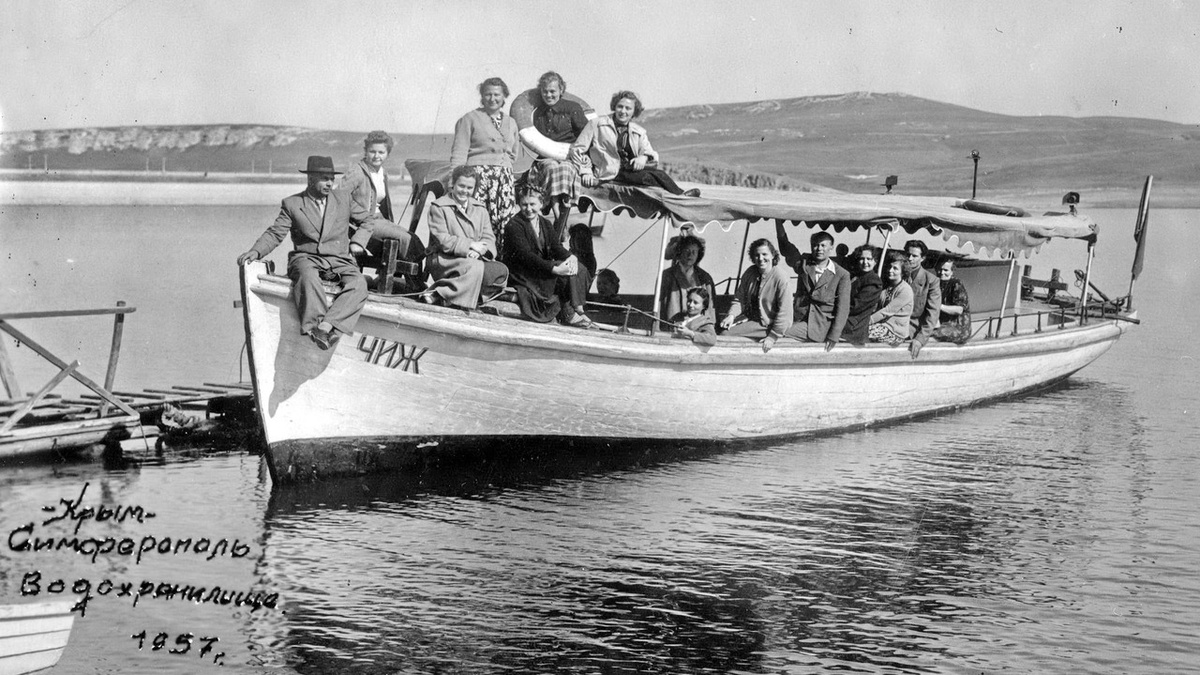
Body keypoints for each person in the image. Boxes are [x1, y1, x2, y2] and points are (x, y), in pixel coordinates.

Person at [237, 156, 371, 350]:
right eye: (324, 178)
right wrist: (256, 252)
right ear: (310, 179)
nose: (330, 183)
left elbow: (368, 221)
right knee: (308, 278)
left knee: (359, 284)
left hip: (339, 259)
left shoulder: (344, 199)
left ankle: (326, 326)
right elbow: (276, 233)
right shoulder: (292, 204)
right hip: (306, 257)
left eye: (331, 179)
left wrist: (358, 241)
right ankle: (314, 326)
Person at [569, 90, 699, 197]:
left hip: (629, 172)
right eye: (620, 106)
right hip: (606, 172)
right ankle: (681, 196)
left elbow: (652, 154)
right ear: (614, 106)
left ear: (634, 112)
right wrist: (586, 172)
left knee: (659, 174)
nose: (623, 111)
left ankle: (681, 196)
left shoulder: (638, 131)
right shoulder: (596, 124)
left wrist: (644, 157)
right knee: (649, 178)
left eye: (628, 108)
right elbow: (577, 149)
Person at [340, 130, 426, 291]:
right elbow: (340, 197)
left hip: (379, 219)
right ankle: (414, 285)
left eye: (381, 152)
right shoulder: (357, 171)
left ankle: (416, 282)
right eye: (372, 151)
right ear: (365, 152)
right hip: (361, 222)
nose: (376, 156)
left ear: (387, 154)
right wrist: (360, 214)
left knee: (413, 238)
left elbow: (383, 204)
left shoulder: (381, 173)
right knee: (405, 239)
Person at [421, 165, 509, 310]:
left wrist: (480, 251)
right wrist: (470, 246)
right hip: (444, 259)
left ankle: (450, 296)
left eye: (469, 188)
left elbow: (489, 238)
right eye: (461, 186)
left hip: (474, 257)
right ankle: (443, 294)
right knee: (474, 267)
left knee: (500, 271)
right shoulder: (439, 207)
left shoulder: (480, 209)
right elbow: (443, 240)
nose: (465, 191)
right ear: (452, 184)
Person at [502, 185, 592, 326]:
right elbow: (526, 255)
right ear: (519, 204)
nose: (528, 208)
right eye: (524, 204)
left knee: (579, 268)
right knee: (560, 274)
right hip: (522, 271)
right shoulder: (514, 225)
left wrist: (570, 256)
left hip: (538, 267)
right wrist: (553, 269)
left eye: (533, 204)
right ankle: (567, 312)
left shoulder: (545, 223)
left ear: (541, 204)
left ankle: (577, 309)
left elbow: (556, 247)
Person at [451, 77, 520, 248]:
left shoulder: (511, 122)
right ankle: (477, 262)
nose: (492, 98)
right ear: (482, 96)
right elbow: (459, 153)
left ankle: (500, 265)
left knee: (505, 222)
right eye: (488, 94)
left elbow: (513, 154)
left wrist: (501, 168)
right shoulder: (469, 119)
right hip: (477, 179)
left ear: (504, 97)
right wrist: (455, 182)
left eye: (497, 94)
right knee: (478, 220)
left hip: (503, 181)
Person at [777, 224, 851, 351]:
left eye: (823, 245)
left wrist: (834, 336)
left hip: (820, 325)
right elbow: (787, 248)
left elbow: (843, 309)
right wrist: (778, 224)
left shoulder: (841, 274)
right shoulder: (805, 264)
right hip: (797, 318)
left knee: (777, 330)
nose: (819, 249)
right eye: (815, 245)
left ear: (831, 247)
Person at [527, 71, 590, 215]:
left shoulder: (572, 108)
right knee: (551, 167)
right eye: (545, 91)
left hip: (569, 156)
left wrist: (585, 155)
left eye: (552, 91)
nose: (548, 95)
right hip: (547, 158)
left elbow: (586, 133)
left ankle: (561, 215)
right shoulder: (538, 113)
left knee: (565, 169)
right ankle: (558, 216)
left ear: (561, 90)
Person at [720, 238, 793, 352]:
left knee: (724, 335)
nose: (761, 259)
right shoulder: (750, 272)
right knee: (720, 329)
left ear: (773, 255)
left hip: (768, 326)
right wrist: (731, 315)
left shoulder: (781, 278)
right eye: (757, 255)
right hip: (750, 320)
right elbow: (739, 299)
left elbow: (785, 314)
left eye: (764, 254)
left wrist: (772, 337)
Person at [660, 235, 717, 326]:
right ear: (680, 252)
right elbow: (660, 306)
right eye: (687, 251)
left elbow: (710, 308)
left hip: (698, 328)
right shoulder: (667, 275)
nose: (690, 255)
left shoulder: (705, 278)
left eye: (694, 252)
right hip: (673, 326)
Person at [903, 239, 942, 357]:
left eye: (914, 256)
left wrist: (920, 339)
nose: (910, 259)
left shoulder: (931, 281)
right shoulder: (897, 274)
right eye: (908, 255)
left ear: (922, 258)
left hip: (913, 327)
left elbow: (933, 314)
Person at [869, 251, 914, 346]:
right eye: (889, 267)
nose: (890, 270)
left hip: (896, 333)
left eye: (895, 268)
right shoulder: (887, 287)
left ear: (903, 271)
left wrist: (867, 322)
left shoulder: (905, 290)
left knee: (862, 332)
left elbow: (886, 311)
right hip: (883, 327)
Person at [843, 245, 883, 346]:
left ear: (875, 261)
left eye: (869, 259)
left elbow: (856, 306)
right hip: (847, 325)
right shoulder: (858, 277)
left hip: (853, 330)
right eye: (862, 259)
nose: (865, 262)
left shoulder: (873, 281)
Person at [931, 259, 972, 344]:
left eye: (946, 270)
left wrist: (939, 306)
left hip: (959, 328)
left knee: (930, 334)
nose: (942, 273)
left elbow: (959, 310)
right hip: (943, 325)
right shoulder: (936, 284)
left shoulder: (956, 284)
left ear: (952, 272)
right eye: (940, 269)